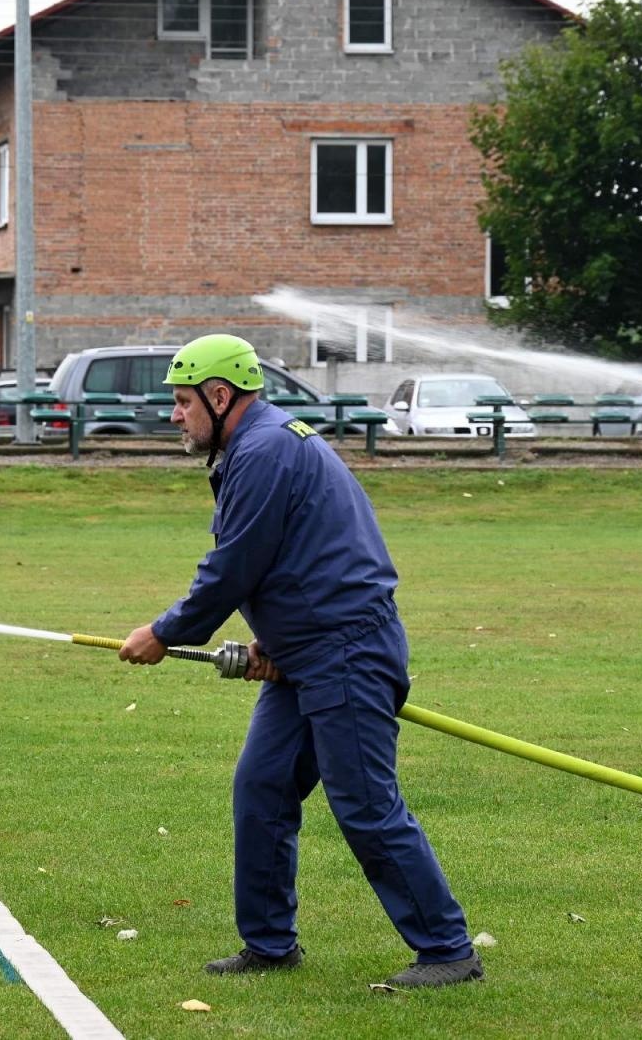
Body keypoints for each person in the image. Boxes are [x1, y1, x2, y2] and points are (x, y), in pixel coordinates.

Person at [118, 334, 481, 990]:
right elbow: (294, 560)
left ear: (219, 395)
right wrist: (276, 644)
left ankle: (449, 951)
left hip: (346, 653)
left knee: (365, 803)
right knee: (262, 788)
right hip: (308, 653)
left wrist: (164, 634)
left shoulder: (263, 450)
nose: (175, 416)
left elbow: (232, 569)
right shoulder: (259, 445)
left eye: (181, 402)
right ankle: (269, 945)